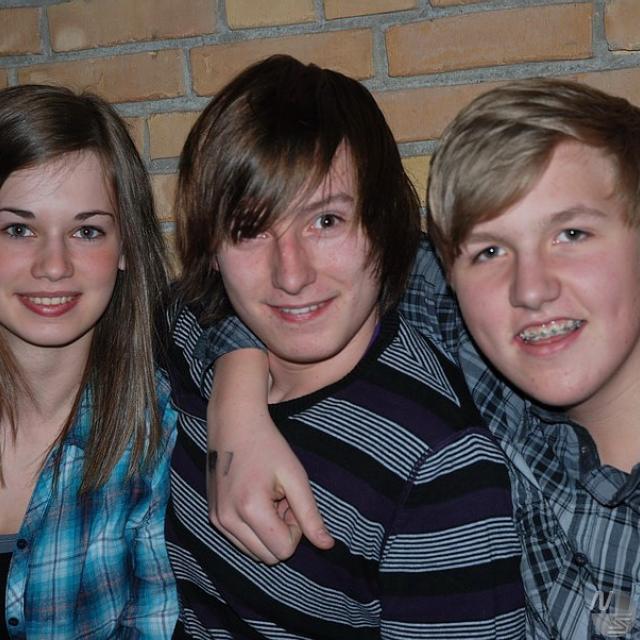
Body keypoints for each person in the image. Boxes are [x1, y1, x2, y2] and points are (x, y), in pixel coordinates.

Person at [207, 77, 640, 639]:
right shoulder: (460, 319)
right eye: (490, 249)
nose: (530, 289)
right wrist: (237, 407)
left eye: (572, 234)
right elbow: (267, 286)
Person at [164, 54, 525, 639]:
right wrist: (237, 398)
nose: (291, 274)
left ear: (384, 222)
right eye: (250, 229)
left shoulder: (440, 470)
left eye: (326, 221)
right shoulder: (192, 334)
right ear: (211, 249)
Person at [0, 84, 178, 638]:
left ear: (124, 247)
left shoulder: (156, 430)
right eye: (18, 229)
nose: (53, 265)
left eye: (86, 231)